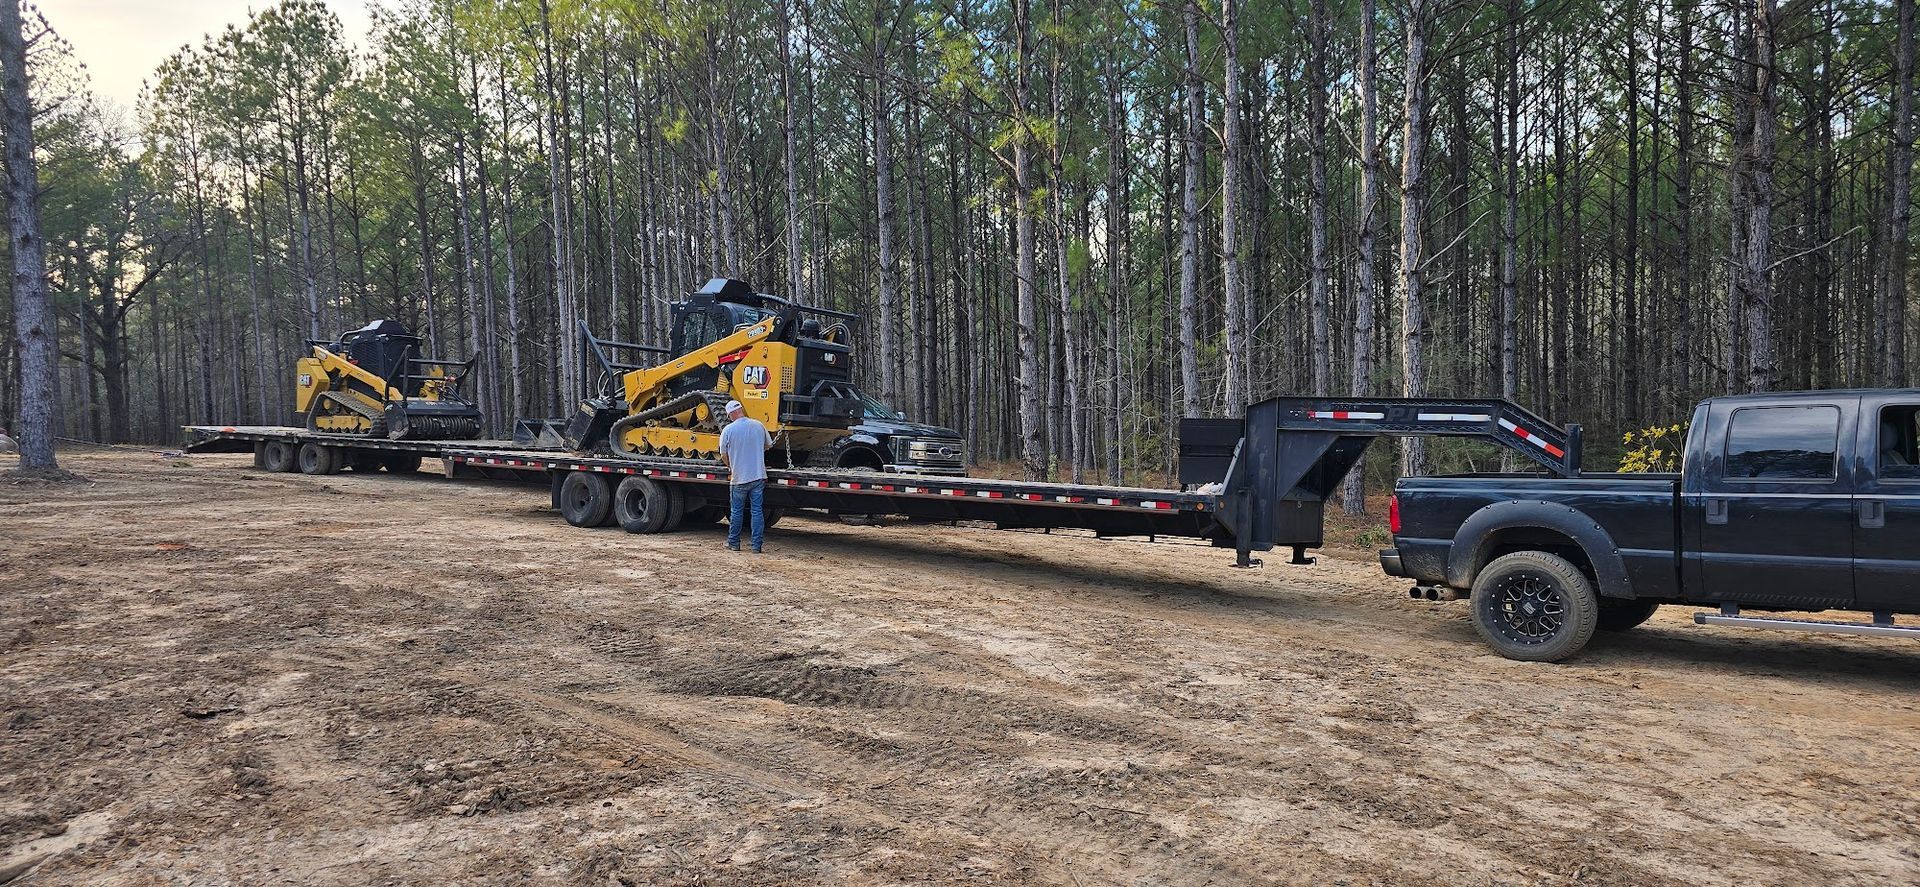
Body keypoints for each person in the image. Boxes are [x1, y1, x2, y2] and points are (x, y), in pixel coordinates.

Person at [717, 399, 773, 552]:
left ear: (731, 414)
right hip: (758, 476)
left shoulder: (728, 430)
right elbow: (768, 445)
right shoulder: (758, 425)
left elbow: (723, 454)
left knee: (736, 511)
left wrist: (730, 466)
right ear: (741, 410)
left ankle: (734, 543)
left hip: (739, 477)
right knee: (756, 511)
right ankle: (756, 546)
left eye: (729, 415)